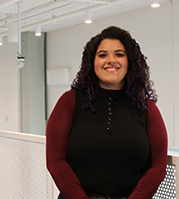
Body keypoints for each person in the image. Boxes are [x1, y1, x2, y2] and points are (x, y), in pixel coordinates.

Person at [46, 26, 168, 199]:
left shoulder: (146, 107)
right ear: (92, 62)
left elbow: (157, 168)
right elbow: (56, 162)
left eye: (119, 54)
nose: (111, 60)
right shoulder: (69, 101)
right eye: (102, 55)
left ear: (130, 61)